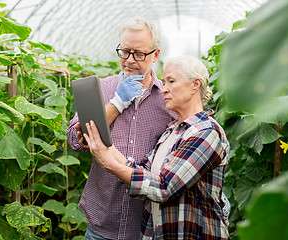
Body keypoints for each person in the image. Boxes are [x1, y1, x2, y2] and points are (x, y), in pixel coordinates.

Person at [83, 55, 230, 239]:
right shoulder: (172, 131)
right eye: (164, 82)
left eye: (171, 81)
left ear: (195, 85)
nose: (164, 89)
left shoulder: (206, 132)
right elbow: (141, 170)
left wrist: (110, 164)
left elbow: (164, 187)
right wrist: (104, 145)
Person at [66, 17, 176, 239]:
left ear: (155, 55)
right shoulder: (102, 89)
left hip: (146, 226)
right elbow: (75, 140)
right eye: (124, 52)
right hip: (102, 223)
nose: (129, 60)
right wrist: (117, 103)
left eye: (139, 54)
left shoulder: (168, 99)